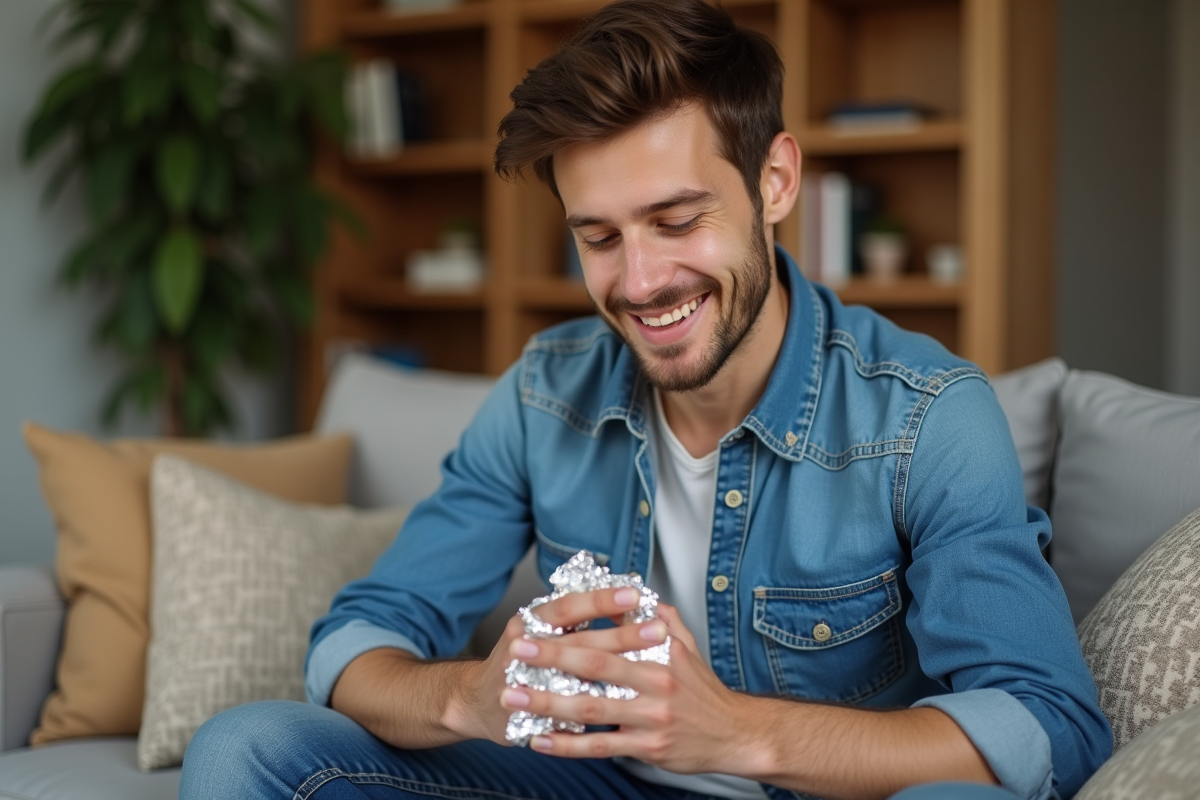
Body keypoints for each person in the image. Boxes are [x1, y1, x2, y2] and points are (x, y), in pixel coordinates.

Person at [180, 2, 1110, 799]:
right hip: (593, 780)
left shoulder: (926, 418)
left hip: (815, 786)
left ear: (775, 182)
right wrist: (472, 697)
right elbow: (355, 643)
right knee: (246, 749)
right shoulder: (543, 395)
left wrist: (734, 733)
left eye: (677, 220)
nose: (640, 283)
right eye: (598, 237)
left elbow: (1048, 728)